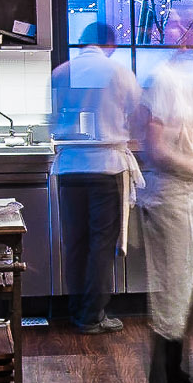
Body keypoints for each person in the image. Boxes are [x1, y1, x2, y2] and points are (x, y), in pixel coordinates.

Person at [137, 4, 193, 383]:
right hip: (171, 199)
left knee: (180, 291)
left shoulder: (189, 80)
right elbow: (156, 149)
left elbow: (190, 136)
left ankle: (175, 377)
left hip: (185, 198)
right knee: (172, 293)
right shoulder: (167, 79)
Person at [52, 20, 142, 335]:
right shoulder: (118, 72)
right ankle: (92, 316)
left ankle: (77, 310)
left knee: (75, 243)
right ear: (109, 44)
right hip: (106, 166)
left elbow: (54, 117)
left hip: (70, 168)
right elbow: (136, 111)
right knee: (101, 243)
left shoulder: (60, 72)